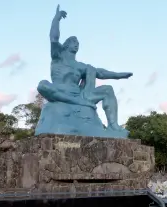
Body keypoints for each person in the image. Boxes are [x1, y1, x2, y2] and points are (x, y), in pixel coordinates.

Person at [38, 4, 133, 132]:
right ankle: (76, 102)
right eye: (74, 42)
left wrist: (120, 75)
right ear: (66, 45)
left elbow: (100, 73)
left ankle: (113, 125)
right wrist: (56, 19)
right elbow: (54, 38)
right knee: (42, 85)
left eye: (78, 43)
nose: (77, 45)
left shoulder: (81, 66)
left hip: (80, 96)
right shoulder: (58, 56)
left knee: (108, 90)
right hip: (59, 91)